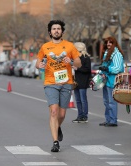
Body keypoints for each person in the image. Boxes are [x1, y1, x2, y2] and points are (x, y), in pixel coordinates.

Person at [36, 20, 81, 152]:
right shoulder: (45, 47)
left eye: (59, 29)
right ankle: (55, 142)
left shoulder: (69, 46)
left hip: (66, 83)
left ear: (62, 31)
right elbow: (38, 63)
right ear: (50, 32)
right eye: (54, 29)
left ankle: (58, 126)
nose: (56, 31)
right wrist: (40, 65)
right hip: (50, 83)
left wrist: (72, 61)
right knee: (54, 111)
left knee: (61, 114)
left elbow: (78, 63)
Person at [98, 36, 124, 127]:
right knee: (106, 101)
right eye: (107, 42)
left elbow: (117, 68)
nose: (108, 44)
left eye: (110, 42)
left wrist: (107, 68)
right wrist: (101, 71)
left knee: (112, 102)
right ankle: (108, 119)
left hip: (113, 81)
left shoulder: (117, 54)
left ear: (114, 43)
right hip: (105, 80)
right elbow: (104, 66)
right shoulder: (106, 53)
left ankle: (113, 120)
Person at [72, 42, 91, 123]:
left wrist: (77, 68)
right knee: (78, 100)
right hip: (76, 81)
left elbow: (87, 69)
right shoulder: (76, 57)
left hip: (83, 81)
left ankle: (85, 116)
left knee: (83, 100)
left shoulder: (86, 57)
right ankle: (79, 115)